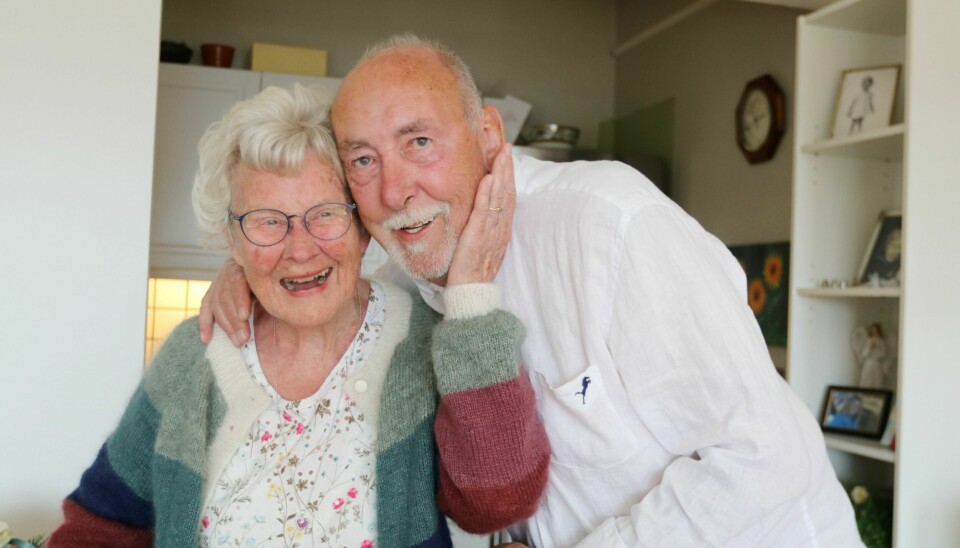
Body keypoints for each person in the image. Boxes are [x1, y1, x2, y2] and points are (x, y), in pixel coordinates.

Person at [202, 34, 863, 546]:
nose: (396, 189)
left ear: (489, 137)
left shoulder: (608, 227)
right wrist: (249, 275)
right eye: (363, 161)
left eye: (421, 142)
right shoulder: (412, 267)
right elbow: (322, 271)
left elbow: (764, 461)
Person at [48, 84, 549, 547]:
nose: (301, 250)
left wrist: (470, 304)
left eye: (325, 213)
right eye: (267, 222)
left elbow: (496, 505)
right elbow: (97, 526)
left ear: (362, 225)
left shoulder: (423, 341)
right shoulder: (196, 354)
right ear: (233, 239)